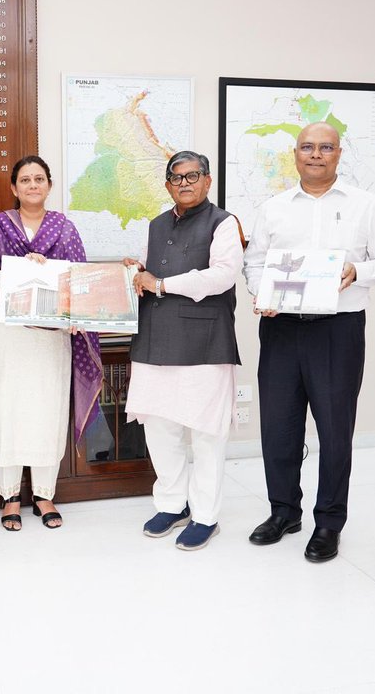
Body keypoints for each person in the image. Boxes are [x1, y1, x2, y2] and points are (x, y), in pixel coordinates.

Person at [244, 123, 375, 562]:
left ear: (338, 153)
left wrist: (358, 272)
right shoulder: (273, 208)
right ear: (295, 154)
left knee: (335, 431)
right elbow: (254, 262)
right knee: (278, 428)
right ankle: (284, 512)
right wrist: (261, 292)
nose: (316, 154)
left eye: (325, 147)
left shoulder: (366, 205)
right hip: (281, 328)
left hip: (338, 330)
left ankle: (329, 521)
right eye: (307, 147)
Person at [0, 156, 102, 530]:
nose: (33, 185)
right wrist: (22, 272)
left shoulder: (65, 228)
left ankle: (45, 494)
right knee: (5, 411)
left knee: (46, 411)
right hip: (4, 337)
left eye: (39, 179)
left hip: (49, 342)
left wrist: (46, 276)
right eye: (25, 180)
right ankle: (10, 495)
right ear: (14, 188)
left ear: (49, 186)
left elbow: (77, 280)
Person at [124, 150, 245, 551]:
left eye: (193, 176)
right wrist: (134, 272)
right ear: (167, 185)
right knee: (160, 428)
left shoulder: (224, 223)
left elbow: (223, 276)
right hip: (155, 338)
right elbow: (146, 269)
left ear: (208, 181)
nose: (185, 184)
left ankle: (206, 516)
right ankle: (173, 504)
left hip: (205, 342)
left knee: (207, 434)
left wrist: (160, 284)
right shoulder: (156, 224)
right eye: (177, 178)